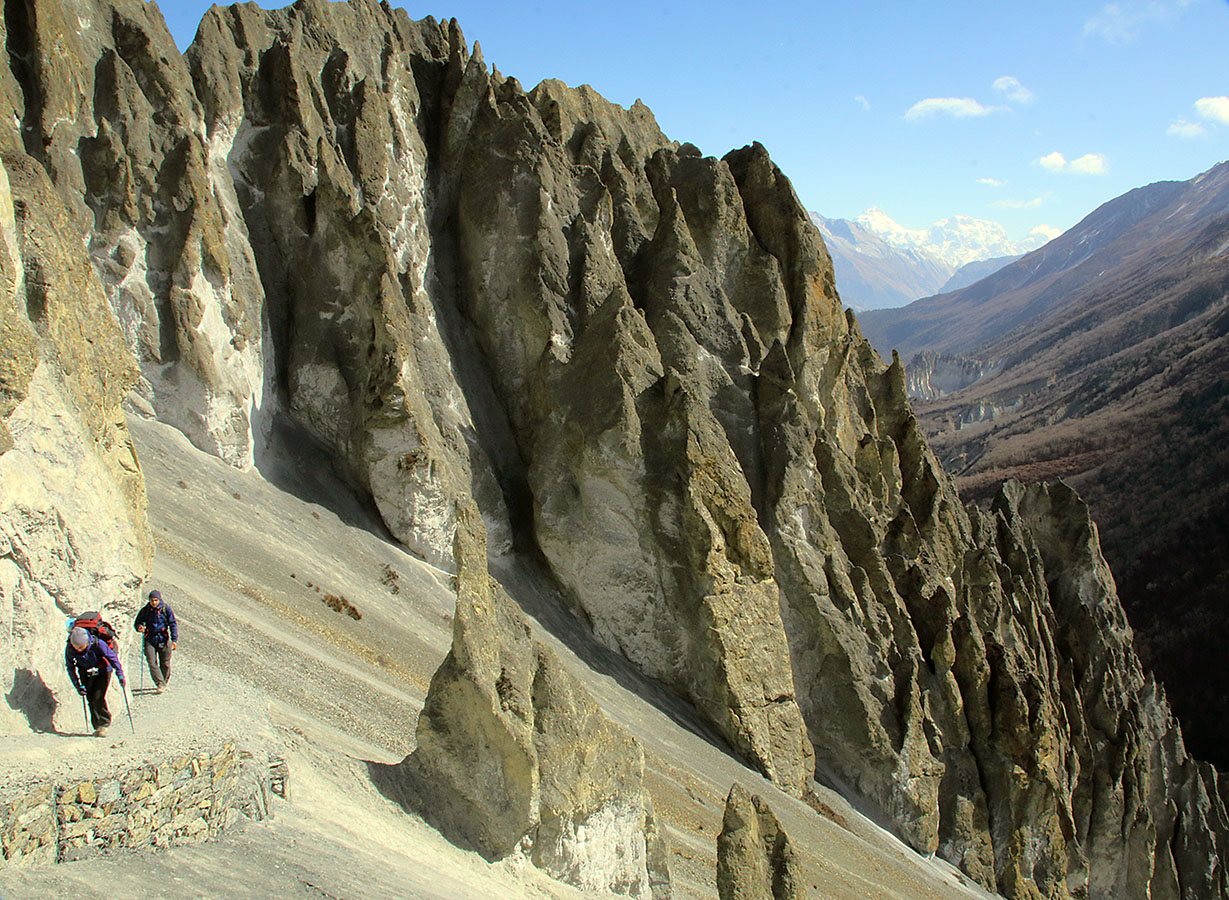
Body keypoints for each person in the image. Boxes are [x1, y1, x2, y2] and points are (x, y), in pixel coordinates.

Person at [65, 626, 125, 737]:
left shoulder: (98, 644)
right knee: (90, 699)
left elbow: (112, 657)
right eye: (76, 647)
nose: (78, 649)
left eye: (81, 647)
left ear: (87, 642)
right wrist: (77, 685)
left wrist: (120, 673)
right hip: (85, 671)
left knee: (98, 697)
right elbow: (70, 667)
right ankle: (97, 726)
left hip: (102, 670)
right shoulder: (69, 648)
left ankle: (104, 724)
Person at [134, 589, 178, 693]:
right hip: (150, 639)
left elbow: (172, 624)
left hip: (164, 639)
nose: (153, 603)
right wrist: (139, 627)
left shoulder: (165, 609)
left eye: (155, 600)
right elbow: (138, 622)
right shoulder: (145, 610)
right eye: (152, 600)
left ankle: (164, 682)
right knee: (151, 662)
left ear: (159, 600)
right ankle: (160, 683)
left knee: (165, 663)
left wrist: (174, 640)